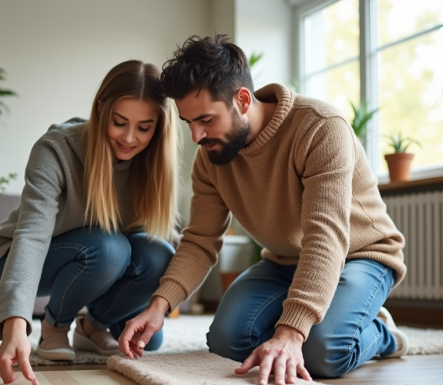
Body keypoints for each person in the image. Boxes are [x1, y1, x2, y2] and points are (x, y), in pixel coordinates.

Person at [118, 35, 409, 385]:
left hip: (360, 255)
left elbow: (325, 237)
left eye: (206, 119)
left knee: (321, 351)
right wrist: (158, 306)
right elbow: (200, 240)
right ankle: (330, 314)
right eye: (189, 122)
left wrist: (290, 334)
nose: (196, 135)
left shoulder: (320, 127)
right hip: (285, 261)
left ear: (242, 100)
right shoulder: (211, 158)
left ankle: (381, 331)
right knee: (227, 342)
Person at [0, 60, 180, 385]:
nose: (130, 138)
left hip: (98, 260)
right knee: (111, 248)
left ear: (159, 127)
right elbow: (32, 235)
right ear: (101, 108)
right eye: (119, 122)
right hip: (23, 258)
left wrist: (160, 303)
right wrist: (15, 324)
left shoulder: (153, 163)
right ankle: (56, 326)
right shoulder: (56, 149)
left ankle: (91, 327)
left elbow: (163, 241)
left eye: (144, 127)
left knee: (160, 258)